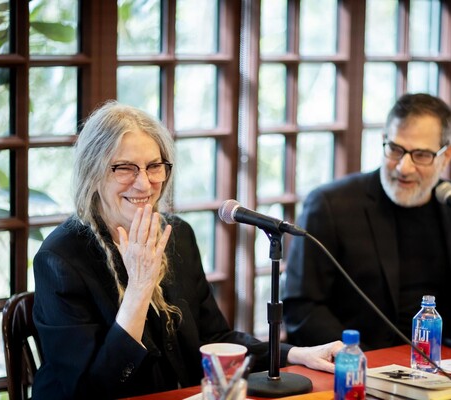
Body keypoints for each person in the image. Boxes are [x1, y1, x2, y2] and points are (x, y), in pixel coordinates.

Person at [32, 101, 342, 399]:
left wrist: (295, 354)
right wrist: (139, 289)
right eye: (125, 168)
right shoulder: (60, 259)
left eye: (154, 166)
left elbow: (215, 340)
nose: (144, 184)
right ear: (93, 173)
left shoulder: (176, 234)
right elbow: (90, 390)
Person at [282, 93, 451, 351]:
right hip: (363, 362)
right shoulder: (331, 205)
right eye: (395, 149)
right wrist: (353, 357)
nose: (403, 167)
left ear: (447, 156)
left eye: (420, 155)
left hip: (443, 363)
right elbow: (302, 307)